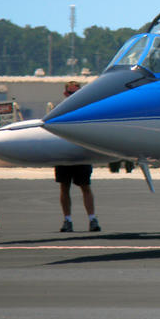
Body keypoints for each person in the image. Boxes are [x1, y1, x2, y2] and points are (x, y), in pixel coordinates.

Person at [55, 81, 100, 232]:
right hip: (63, 154)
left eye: (77, 93)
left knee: (85, 187)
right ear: (65, 94)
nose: (74, 96)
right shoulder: (58, 110)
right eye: (71, 93)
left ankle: (92, 219)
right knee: (64, 187)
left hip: (81, 154)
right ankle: (67, 220)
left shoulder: (86, 109)